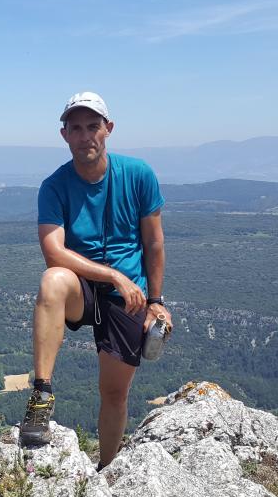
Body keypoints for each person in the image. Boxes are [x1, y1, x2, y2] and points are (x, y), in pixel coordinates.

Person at [18, 91, 171, 470]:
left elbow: (153, 242)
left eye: (93, 127)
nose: (85, 136)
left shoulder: (138, 175)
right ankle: (41, 396)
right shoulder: (55, 185)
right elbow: (53, 252)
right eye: (76, 128)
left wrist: (156, 300)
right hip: (85, 286)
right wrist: (113, 274)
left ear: (108, 129)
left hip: (130, 295)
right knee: (53, 279)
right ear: (64, 135)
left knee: (114, 392)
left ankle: (107, 468)